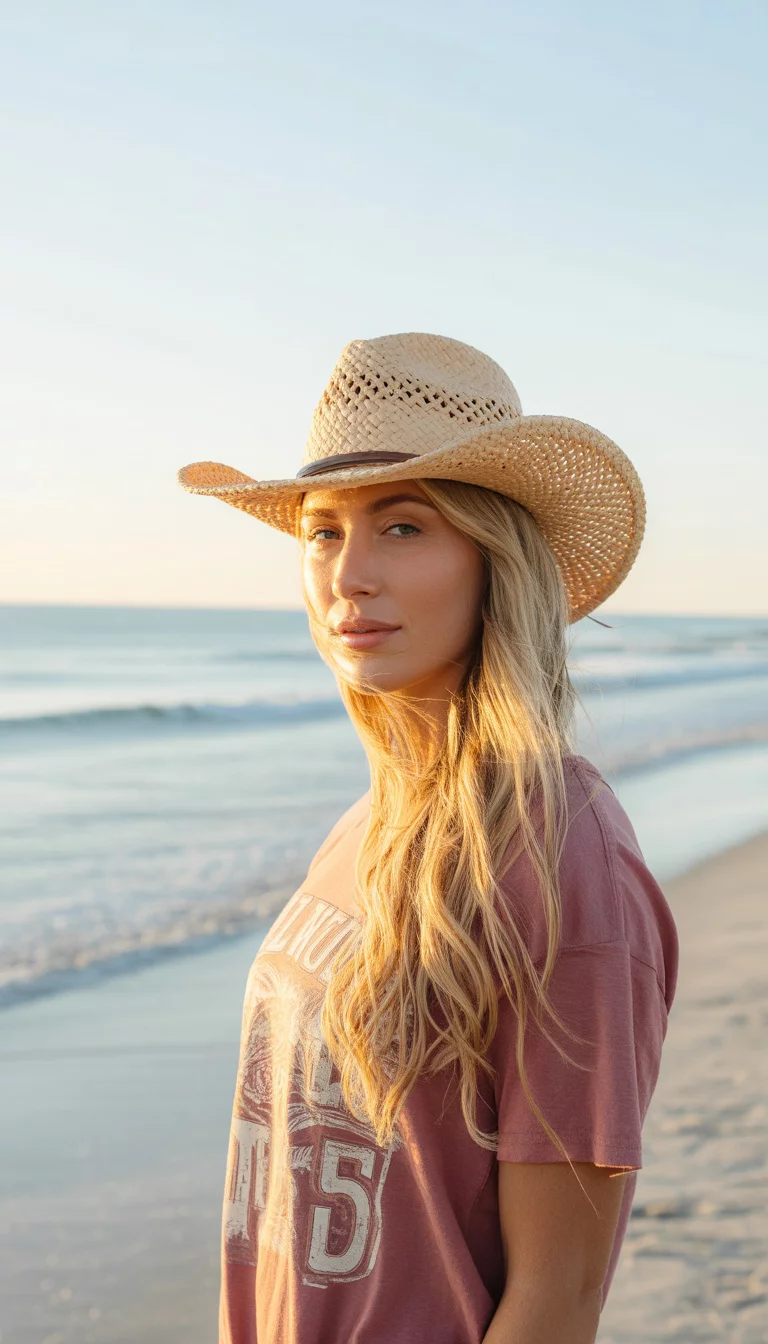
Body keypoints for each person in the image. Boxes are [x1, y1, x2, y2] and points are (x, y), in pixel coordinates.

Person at [178, 332, 679, 1344]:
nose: (348, 575)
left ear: (495, 563)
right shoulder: (371, 821)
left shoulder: (565, 858)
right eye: (323, 532)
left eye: (404, 528)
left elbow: (557, 1299)